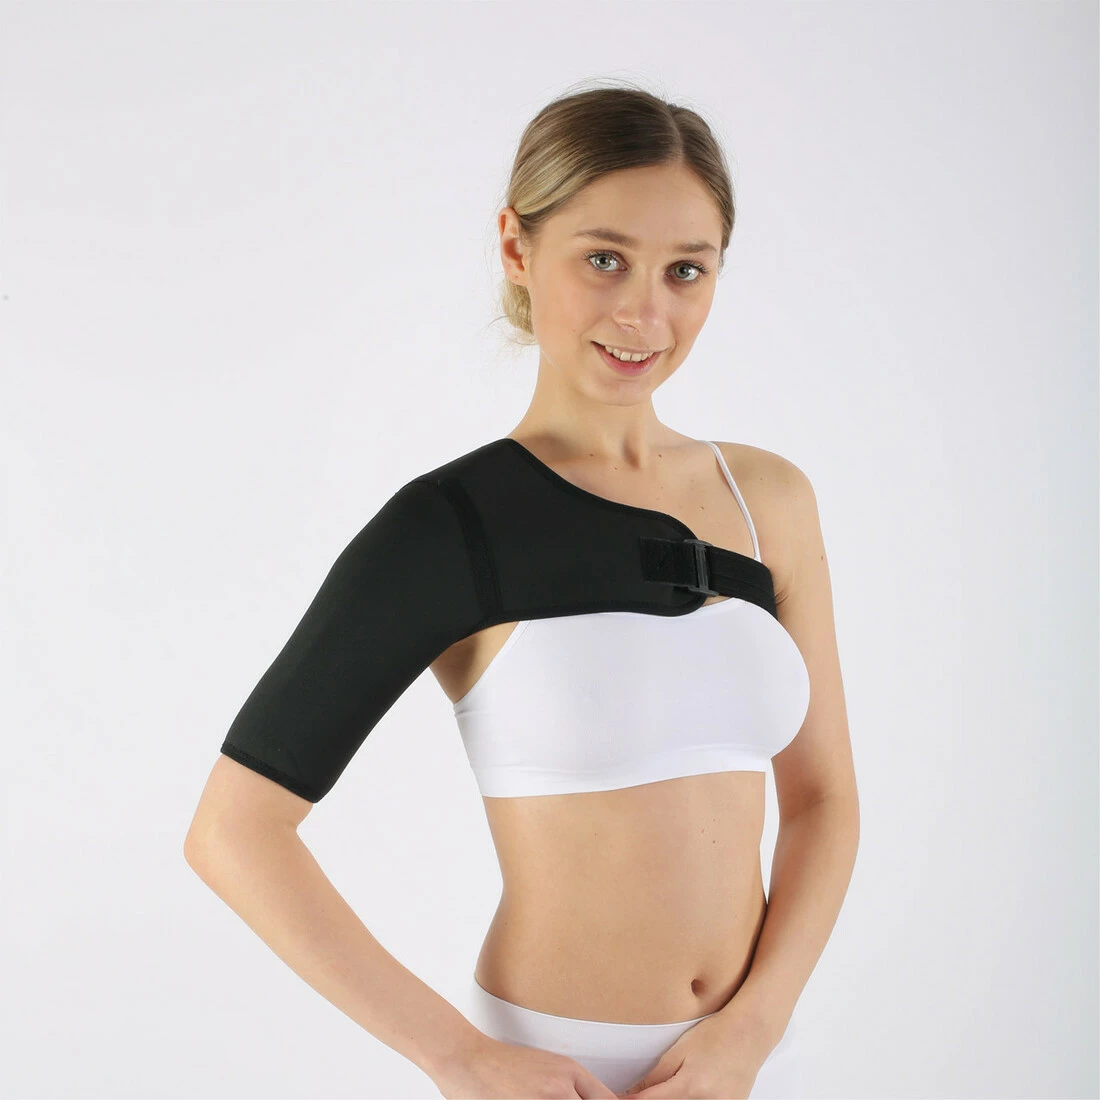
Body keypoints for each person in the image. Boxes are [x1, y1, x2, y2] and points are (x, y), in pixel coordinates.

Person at [184, 78, 859, 1100]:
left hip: (749, 1063)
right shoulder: (449, 524)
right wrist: (458, 1055)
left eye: (685, 269)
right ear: (516, 247)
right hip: (555, 1069)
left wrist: (751, 1032)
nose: (644, 312)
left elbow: (822, 801)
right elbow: (234, 830)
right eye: (604, 258)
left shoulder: (767, 499)